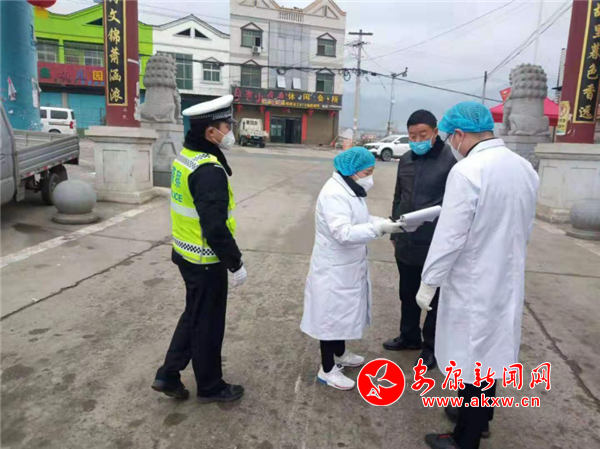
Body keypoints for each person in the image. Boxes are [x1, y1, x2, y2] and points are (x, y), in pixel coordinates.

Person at [416, 102, 539, 449]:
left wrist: (429, 281)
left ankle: (464, 439)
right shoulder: (523, 168)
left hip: (473, 280)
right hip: (506, 277)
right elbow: (526, 226)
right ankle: (480, 419)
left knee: (471, 358)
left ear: (458, 134)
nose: (450, 144)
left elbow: (450, 236)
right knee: (490, 352)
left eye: (449, 137)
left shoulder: (468, 171)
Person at [152, 95, 248, 404]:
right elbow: (215, 226)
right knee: (208, 324)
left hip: (186, 254)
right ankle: (210, 386)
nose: (230, 132)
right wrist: (235, 262)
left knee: (195, 314)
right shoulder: (208, 170)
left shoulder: (187, 156)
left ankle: (168, 373)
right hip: (206, 260)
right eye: (226, 126)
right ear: (211, 132)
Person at [300, 147, 404, 390]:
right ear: (352, 171)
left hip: (347, 266)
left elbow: (361, 220)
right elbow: (343, 232)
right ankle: (327, 369)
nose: (370, 178)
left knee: (342, 314)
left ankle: (340, 353)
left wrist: (384, 223)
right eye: (367, 172)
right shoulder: (334, 194)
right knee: (330, 318)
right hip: (333, 269)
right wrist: (379, 229)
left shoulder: (351, 189)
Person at [383, 110, 456, 370]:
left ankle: (431, 347)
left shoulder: (451, 161)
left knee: (434, 299)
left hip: (435, 242)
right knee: (408, 293)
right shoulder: (406, 160)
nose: (417, 140)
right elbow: (398, 196)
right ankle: (409, 336)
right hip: (406, 240)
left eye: (422, 135)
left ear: (435, 132)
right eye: (412, 136)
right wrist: (395, 230)